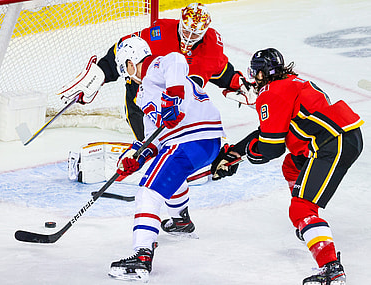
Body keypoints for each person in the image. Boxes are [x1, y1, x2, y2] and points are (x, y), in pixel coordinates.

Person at [212, 48, 363, 284]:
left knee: (300, 208)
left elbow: (271, 147)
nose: (254, 78)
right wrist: (235, 152)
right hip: (342, 135)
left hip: (331, 144)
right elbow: (270, 131)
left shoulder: (272, 93)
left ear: (262, 74)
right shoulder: (290, 82)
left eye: (257, 74)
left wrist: (245, 154)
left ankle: (332, 269)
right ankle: (309, 225)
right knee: (291, 166)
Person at [107, 37, 225, 282]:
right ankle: (181, 220)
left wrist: (174, 96)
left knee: (148, 192)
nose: (127, 76)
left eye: (125, 69)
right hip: (204, 143)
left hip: (189, 139)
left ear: (131, 62)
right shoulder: (143, 95)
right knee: (162, 168)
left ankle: (141, 255)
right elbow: (154, 139)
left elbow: (177, 59)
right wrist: (135, 158)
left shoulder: (155, 66)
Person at [96, 2, 255, 141]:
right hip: (147, 90)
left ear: (205, 31)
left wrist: (238, 83)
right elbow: (126, 48)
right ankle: (148, 146)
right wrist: (102, 72)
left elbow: (220, 70)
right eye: (186, 31)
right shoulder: (160, 32)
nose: (189, 38)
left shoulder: (210, 46)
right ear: (180, 23)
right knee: (142, 119)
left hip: (179, 100)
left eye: (196, 34)